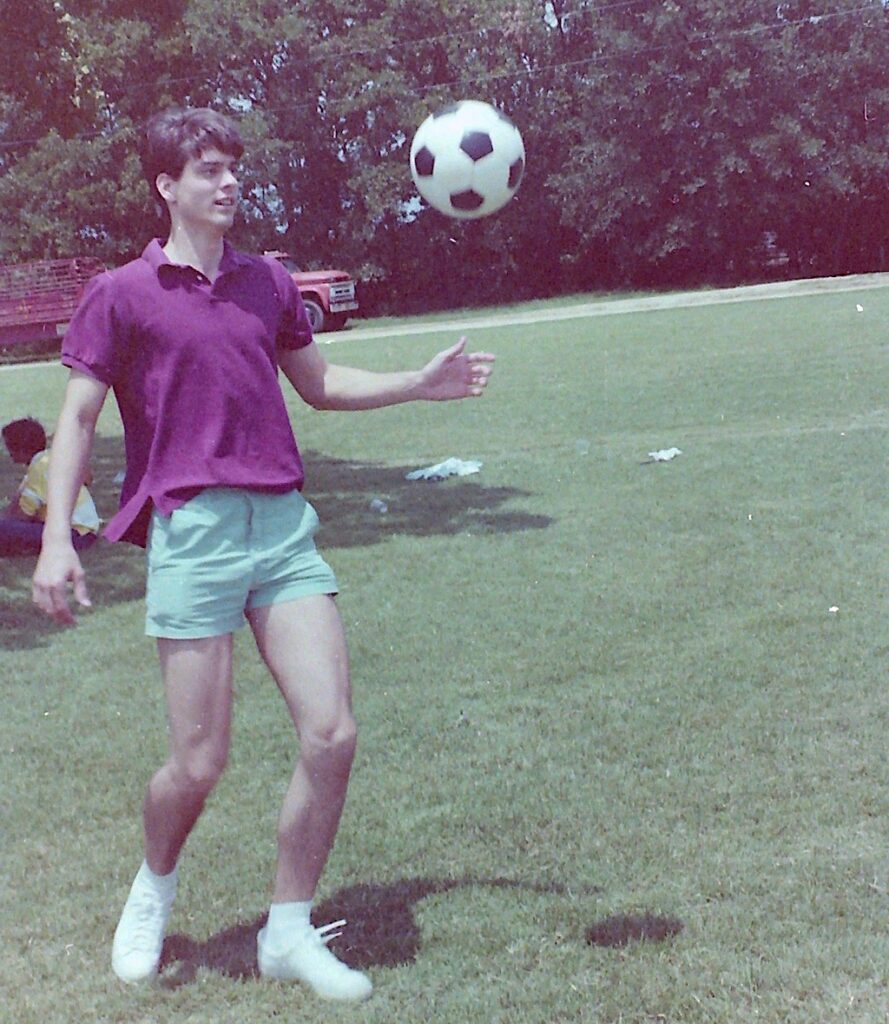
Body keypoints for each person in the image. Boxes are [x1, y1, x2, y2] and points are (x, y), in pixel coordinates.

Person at [31, 107, 495, 1001]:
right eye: (207, 169)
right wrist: (57, 540)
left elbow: (317, 386)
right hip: (193, 533)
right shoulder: (121, 292)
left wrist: (416, 385)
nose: (228, 182)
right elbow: (80, 418)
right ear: (167, 185)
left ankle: (288, 930)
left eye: (233, 167)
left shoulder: (267, 282)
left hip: (281, 527)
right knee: (199, 762)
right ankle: (154, 887)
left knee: (332, 732)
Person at [1, 417, 99, 556]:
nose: (9, 453)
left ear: (21, 449)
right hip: (86, 531)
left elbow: (23, 515)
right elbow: (87, 477)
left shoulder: (39, 468)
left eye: (10, 447)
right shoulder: (53, 457)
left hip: (73, 534)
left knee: (5, 529)